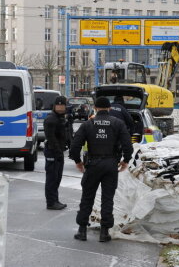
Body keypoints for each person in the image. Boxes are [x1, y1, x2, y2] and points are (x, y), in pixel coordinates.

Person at [69, 96, 133, 242]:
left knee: (87, 197)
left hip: (92, 164)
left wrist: (78, 161)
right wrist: (126, 161)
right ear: (109, 108)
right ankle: (104, 232)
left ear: (96, 108)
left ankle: (82, 231)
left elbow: (75, 146)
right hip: (111, 164)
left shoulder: (88, 124)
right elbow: (127, 145)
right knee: (107, 198)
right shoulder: (118, 123)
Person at [44, 96, 68, 210]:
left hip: (58, 152)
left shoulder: (60, 118)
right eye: (58, 105)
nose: (60, 107)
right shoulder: (51, 119)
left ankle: (55, 199)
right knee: (52, 178)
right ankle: (51, 202)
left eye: (62, 105)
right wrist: (58, 152)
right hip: (52, 152)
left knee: (57, 177)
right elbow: (51, 138)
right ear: (54, 106)